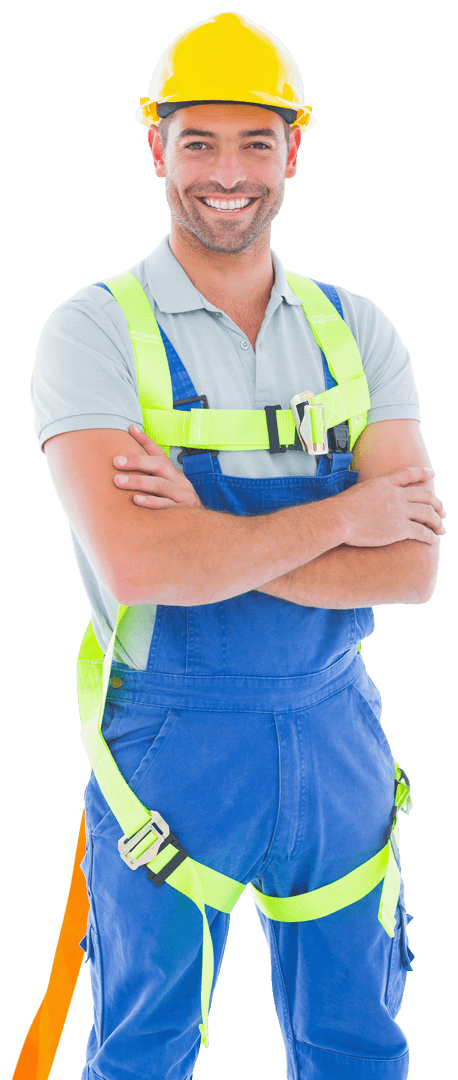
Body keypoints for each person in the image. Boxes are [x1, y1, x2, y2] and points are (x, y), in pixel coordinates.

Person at [27, 11, 445, 1080]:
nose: (227, 172)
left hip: (337, 733)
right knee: (142, 1053)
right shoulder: (93, 332)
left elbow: (411, 569)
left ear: (293, 152)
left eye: (255, 141)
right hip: (170, 751)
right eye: (198, 140)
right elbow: (137, 566)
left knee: (358, 1046)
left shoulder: (359, 332)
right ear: (156, 148)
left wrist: (211, 537)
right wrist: (346, 513)